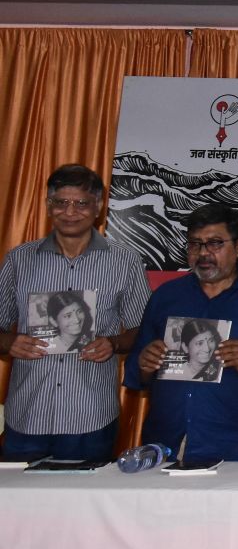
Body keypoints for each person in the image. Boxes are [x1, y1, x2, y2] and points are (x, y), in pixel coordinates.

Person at [126, 203, 238, 462]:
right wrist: (145, 364)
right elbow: (135, 372)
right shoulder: (166, 297)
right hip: (165, 443)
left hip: (232, 449)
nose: (203, 253)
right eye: (195, 244)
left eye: (215, 243)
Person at [0, 164, 150, 461]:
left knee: (83, 492)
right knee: (19, 493)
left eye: (81, 203)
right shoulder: (19, 260)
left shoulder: (125, 261)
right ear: (48, 205)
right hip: (28, 412)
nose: (70, 212)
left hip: (90, 416)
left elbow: (143, 330)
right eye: (61, 202)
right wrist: (9, 342)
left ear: (98, 207)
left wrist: (113, 343)